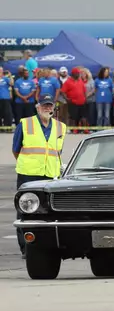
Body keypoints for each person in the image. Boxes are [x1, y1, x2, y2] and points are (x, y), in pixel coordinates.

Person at [12, 94, 66, 254]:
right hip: (29, 174)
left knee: (50, 212)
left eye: (50, 105)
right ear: (37, 107)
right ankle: (26, 248)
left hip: (50, 174)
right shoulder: (25, 124)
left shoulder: (60, 127)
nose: (47, 108)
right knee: (25, 211)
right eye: (44, 105)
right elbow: (16, 149)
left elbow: (57, 151)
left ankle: (48, 246)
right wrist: (30, 162)